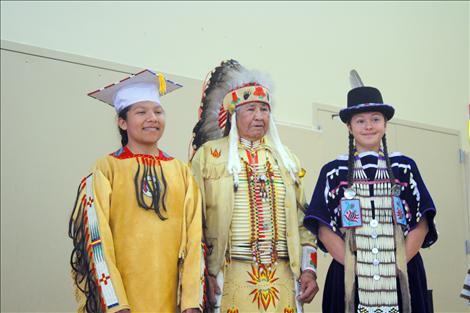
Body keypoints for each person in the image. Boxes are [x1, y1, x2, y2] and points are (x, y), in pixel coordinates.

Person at [69, 69, 204, 313]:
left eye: (158, 111)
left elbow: (195, 238)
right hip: (123, 300)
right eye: (141, 112)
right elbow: (96, 238)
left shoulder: (181, 172)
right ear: (122, 122)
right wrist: (116, 303)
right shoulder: (106, 169)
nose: (152, 118)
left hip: (170, 299)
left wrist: (191, 302)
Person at [190, 60, 318, 313]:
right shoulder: (209, 156)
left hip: (282, 275)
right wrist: (200, 275)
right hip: (228, 275)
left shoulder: (287, 160)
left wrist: (310, 269)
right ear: (234, 114)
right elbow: (193, 221)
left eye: (264, 109)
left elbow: (305, 223)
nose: (259, 116)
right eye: (250, 109)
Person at [304, 73, 438, 313]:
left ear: (385, 125)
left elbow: (422, 222)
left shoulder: (404, 167)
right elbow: (323, 227)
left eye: (375, 119)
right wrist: (356, 267)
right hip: (349, 275)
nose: (368, 126)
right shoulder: (333, 171)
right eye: (360, 121)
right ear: (349, 126)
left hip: (401, 272)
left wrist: (397, 264)